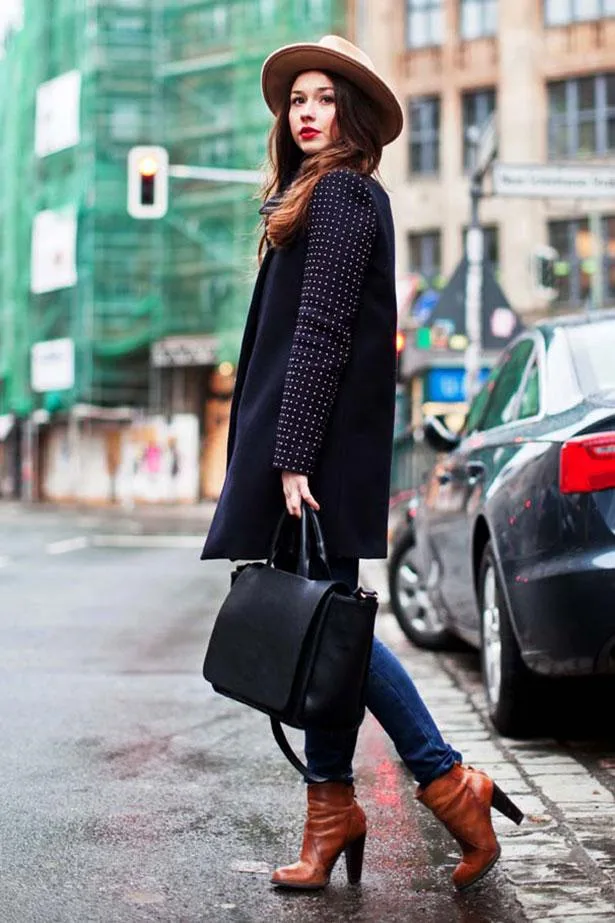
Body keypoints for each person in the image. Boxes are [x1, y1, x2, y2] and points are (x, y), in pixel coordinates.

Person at [201, 34, 522, 893]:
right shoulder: (311, 195)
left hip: (312, 452)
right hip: (302, 449)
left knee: (328, 628)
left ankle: (448, 783)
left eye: (322, 98)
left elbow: (323, 331)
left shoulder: (342, 193)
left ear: (349, 113)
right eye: (295, 99)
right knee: (327, 629)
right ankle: (337, 807)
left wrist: (293, 452)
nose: (305, 111)